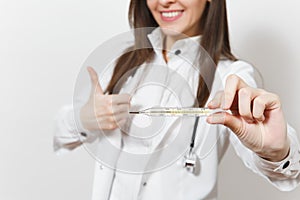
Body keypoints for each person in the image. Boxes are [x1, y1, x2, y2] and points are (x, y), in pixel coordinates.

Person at [54, 0, 300, 199]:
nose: (164, 1)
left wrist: (277, 151)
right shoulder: (124, 63)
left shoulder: (232, 76)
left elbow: (287, 176)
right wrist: (85, 119)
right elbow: (56, 135)